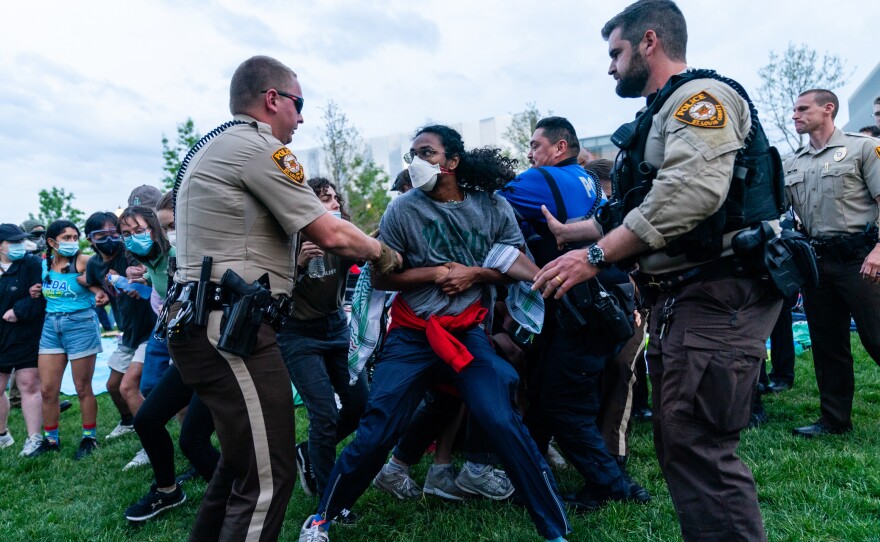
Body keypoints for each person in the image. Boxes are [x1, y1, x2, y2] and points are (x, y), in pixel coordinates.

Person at [533, 2, 784, 539]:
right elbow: (637, 208)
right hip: (688, 295)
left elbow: (690, 194)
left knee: (700, 445)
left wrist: (595, 257)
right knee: (682, 440)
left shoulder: (701, 100)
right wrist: (572, 235)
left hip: (718, 291)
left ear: (650, 42)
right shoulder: (662, 113)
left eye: (616, 53)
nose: (610, 68)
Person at [298, 125, 571, 542]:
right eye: (412, 154)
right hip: (412, 334)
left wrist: (473, 275)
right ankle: (321, 519)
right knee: (377, 431)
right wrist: (436, 273)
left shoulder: (492, 206)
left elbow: (513, 262)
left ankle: (554, 530)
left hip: (467, 333)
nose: (416, 162)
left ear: (452, 162)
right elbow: (382, 278)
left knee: (501, 419)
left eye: (426, 152)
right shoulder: (402, 210)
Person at [168, 55, 400, 541]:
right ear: (272, 100)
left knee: (237, 467)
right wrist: (384, 253)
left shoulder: (216, 145)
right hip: (233, 330)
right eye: (298, 104)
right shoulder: (258, 148)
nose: (301, 117)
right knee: (269, 481)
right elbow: (331, 232)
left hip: (206, 322)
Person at [499, 116, 650, 512]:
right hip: (604, 301)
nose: (529, 154)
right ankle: (524, 471)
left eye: (535, 145)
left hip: (582, 305)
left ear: (559, 147)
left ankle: (613, 485)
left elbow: (479, 199)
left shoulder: (541, 180)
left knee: (564, 401)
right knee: (551, 390)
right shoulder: (584, 179)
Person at [785, 89, 880, 437]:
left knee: (877, 337)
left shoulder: (863, 148)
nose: (794, 115)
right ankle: (834, 419)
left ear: (828, 109)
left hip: (862, 259)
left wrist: (879, 251)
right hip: (817, 263)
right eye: (793, 109)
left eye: (802, 109)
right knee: (828, 345)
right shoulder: (793, 161)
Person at [277, 177, 369, 497]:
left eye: (334, 199)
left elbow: (369, 254)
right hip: (298, 335)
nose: (333, 205)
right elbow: (270, 292)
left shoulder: (342, 238)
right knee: (324, 414)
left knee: (359, 405)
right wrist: (298, 266)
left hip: (336, 328)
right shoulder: (287, 241)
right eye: (323, 200)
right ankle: (328, 494)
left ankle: (309, 451)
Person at [83, 211, 157, 471]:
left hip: (151, 330)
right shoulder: (93, 264)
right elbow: (88, 280)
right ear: (90, 239)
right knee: (113, 385)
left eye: (115, 233)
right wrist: (99, 293)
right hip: (128, 333)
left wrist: (140, 274)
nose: (111, 239)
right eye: (101, 235)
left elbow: (149, 269)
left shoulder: (130, 255)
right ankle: (127, 421)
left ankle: (151, 444)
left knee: (129, 387)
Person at [31, 220, 109, 459]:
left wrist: (99, 294)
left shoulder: (83, 260)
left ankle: (89, 438)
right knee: (47, 390)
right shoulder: (44, 262)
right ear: (52, 242)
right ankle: (51, 440)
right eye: (66, 238)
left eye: (75, 237)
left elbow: (99, 282)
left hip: (80, 324)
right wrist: (37, 289)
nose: (72, 242)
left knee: (82, 387)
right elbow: (49, 286)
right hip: (51, 325)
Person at [0, 224, 45, 457]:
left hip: (28, 333)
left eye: (21, 241)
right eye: (13, 242)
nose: (20, 246)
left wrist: (18, 309)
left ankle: (34, 439)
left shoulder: (32, 264)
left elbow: (42, 296)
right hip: (2, 335)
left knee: (29, 384)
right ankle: (3, 435)